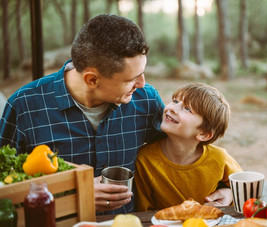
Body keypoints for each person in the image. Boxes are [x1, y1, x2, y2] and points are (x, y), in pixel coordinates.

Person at [0, 15, 231, 214]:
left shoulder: (146, 100)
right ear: (92, 79)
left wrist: (227, 187)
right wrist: (74, 193)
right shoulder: (24, 106)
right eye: (132, 79)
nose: (142, 84)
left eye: (143, 73)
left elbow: (181, 153)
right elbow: (4, 191)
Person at [135, 82, 242, 211]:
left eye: (187, 109)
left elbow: (246, 189)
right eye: (175, 101)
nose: (172, 108)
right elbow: (143, 211)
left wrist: (229, 193)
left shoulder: (219, 159)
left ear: (203, 134)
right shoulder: (145, 159)